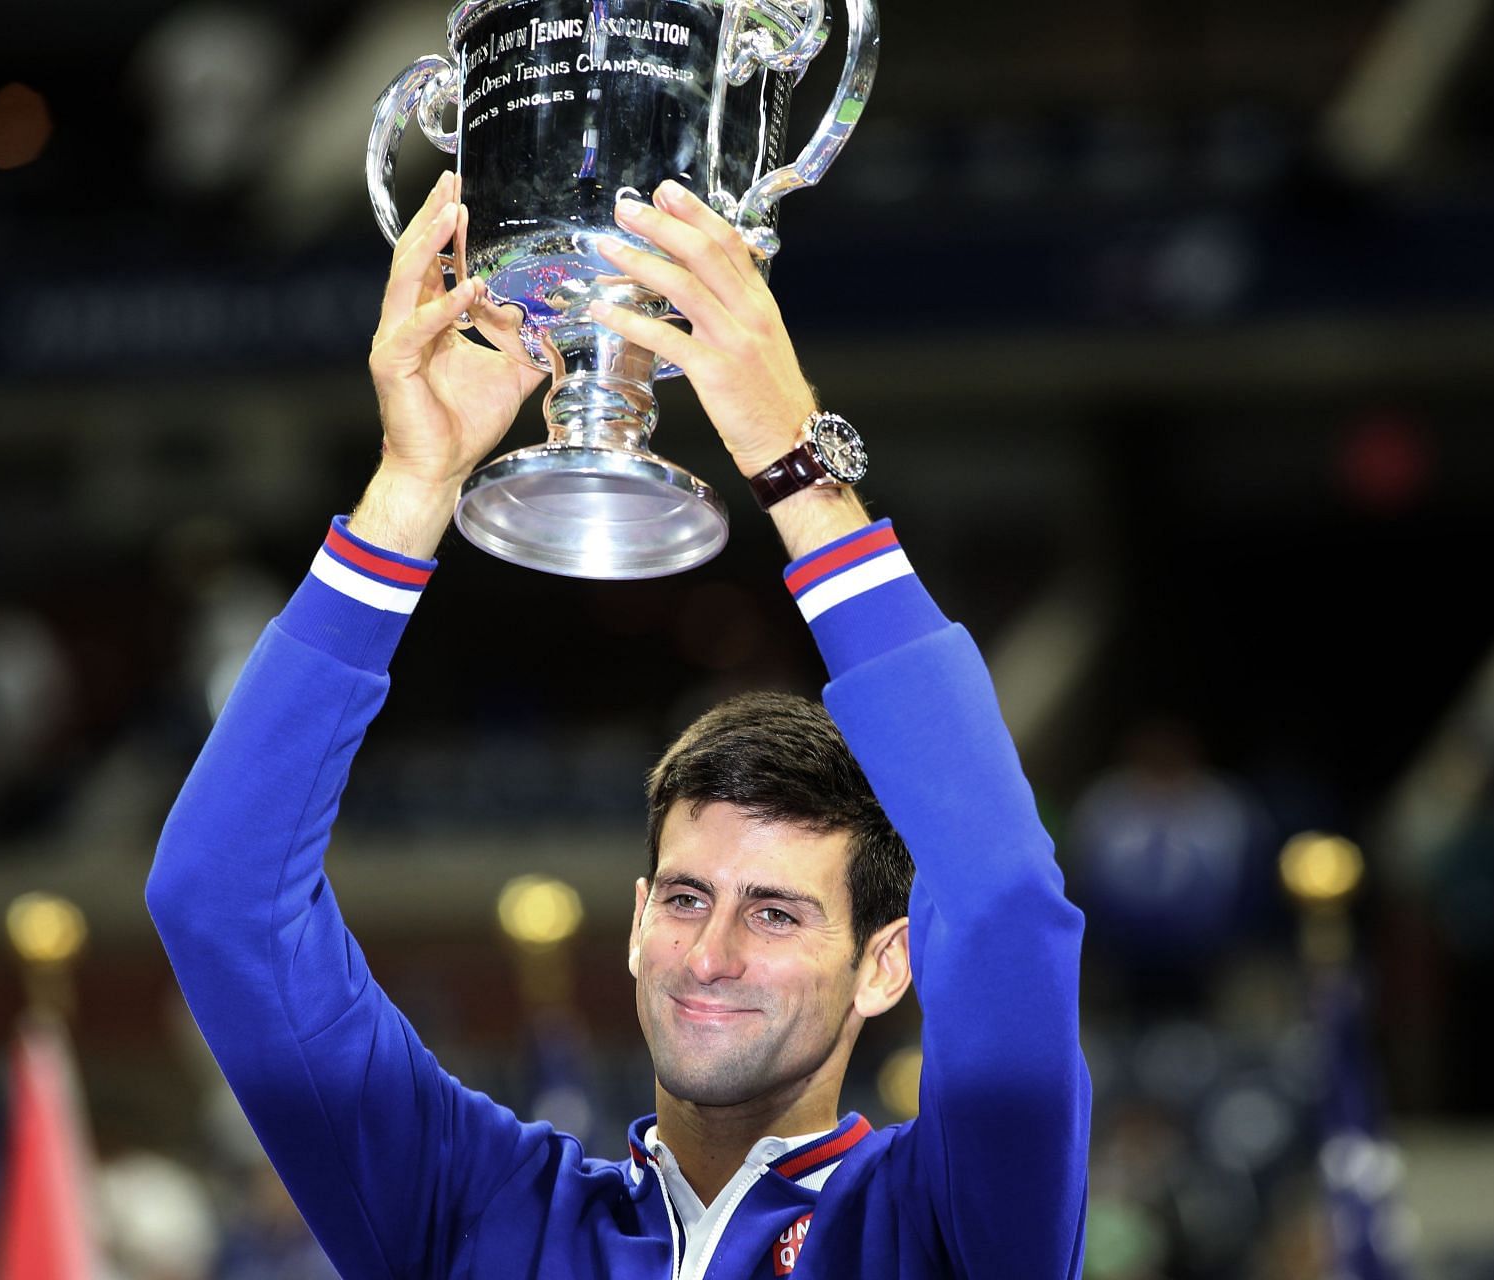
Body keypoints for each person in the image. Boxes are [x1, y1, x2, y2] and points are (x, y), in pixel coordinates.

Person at [147, 171, 1091, 1278]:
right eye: (687, 896)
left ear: (887, 965)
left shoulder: (953, 1222)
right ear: (639, 919)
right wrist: (414, 482)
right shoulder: (476, 1209)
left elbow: (1005, 900)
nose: (711, 953)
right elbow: (221, 899)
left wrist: (799, 470)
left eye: (778, 914)